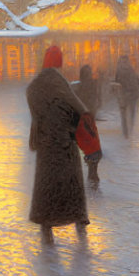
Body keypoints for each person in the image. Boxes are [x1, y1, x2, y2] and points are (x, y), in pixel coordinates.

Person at [26, 45, 98, 245]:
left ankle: (46, 222)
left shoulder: (36, 85)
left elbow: (34, 106)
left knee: (46, 181)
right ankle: (78, 217)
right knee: (71, 181)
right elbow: (77, 108)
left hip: (45, 141)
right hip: (64, 140)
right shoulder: (59, 82)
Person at [73, 65, 101, 189]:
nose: (91, 75)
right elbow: (97, 100)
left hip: (86, 119)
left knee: (92, 149)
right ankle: (92, 180)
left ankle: (92, 178)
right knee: (93, 149)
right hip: (86, 119)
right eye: (89, 73)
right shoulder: (88, 86)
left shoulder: (80, 87)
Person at [115, 56, 139, 139]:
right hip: (125, 95)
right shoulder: (121, 71)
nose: (124, 64)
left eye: (126, 62)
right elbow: (117, 83)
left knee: (130, 114)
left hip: (131, 95)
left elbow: (136, 81)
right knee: (125, 116)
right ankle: (127, 134)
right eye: (123, 62)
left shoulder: (131, 70)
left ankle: (129, 133)